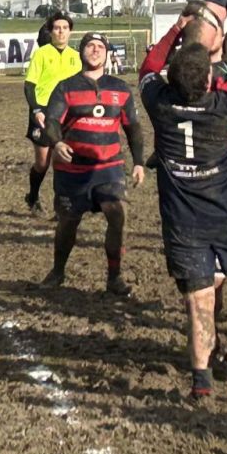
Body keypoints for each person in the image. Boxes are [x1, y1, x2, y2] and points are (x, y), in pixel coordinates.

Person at [139, 12, 227, 397]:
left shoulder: (160, 104)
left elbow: (147, 69)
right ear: (208, 80)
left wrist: (174, 30)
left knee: (199, 302)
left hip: (183, 224)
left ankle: (201, 384)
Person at [41, 30, 148, 294]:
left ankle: (114, 278)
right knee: (68, 221)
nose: (96, 50)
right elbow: (52, 122)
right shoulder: (66, 87)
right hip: (72, 170)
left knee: (117, 213)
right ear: (82, 52)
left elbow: (133, 127)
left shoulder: (120, 88)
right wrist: (57, 143)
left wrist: (138, 162)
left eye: (100, 46)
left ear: (107, 52)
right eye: (90, 45)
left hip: (108, 168)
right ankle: (58, 271)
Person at [23, 14, 82, 216]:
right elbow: (29, 85)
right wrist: (36, 110)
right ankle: (32, 196)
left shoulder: (76, 56)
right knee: (42, 163)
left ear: (70, 31)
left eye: (65, 27)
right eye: (57, 28)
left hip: (67, 114)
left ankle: (61, 207)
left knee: (63, 161)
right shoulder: (41, 54)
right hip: (44, 113)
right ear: (51, 31)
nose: (61, 31)